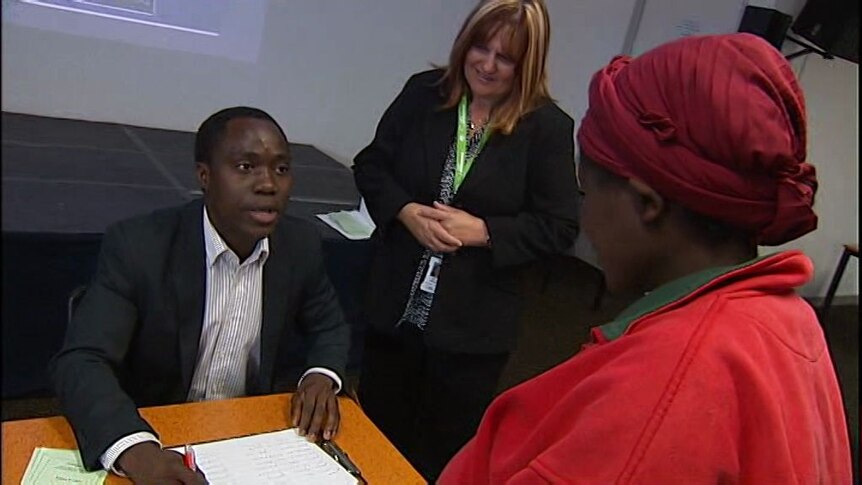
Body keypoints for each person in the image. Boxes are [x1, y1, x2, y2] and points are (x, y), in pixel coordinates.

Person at [439, 32, 854, 483]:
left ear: (646, 203)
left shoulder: (661, 396)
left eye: (589, 191)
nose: (587, 221)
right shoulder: (787, 318)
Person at [51, 106, 351, 483]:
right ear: (205, 176)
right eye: (246, 167)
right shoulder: (139, 246)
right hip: (155, 429)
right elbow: (82, 360)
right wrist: (134, 449)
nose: (268, 184)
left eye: (281, 168)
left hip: (248, 440)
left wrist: (321, 375)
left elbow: (330, 326)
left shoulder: (299, 244)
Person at [352, 0, 579, 480]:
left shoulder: (548, 129)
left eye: (506, 57)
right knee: (370, 438)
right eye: (481, 47)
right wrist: (405, 211)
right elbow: (371, 165)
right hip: (394, 309)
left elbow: (561, 226)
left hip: (470, 331)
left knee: (439, 456)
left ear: (528, 64)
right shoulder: (423, 94)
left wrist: (486, 231)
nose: (488, 64)